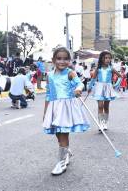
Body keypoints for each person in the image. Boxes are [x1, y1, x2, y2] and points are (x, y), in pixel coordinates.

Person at [43, 47, 89, 175]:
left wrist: (78, 89)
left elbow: (80, 83)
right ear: (53, 60)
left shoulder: (70, 73)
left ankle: (61, 163)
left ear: (69, 61)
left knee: (63, 133)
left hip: (66, 107)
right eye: (59, 58)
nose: (62, 61)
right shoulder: (50, 75)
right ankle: (66, 151)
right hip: (53, 107)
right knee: (58, 133)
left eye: (65, 59)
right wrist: (45, 112)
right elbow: (48, 94)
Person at [88, 51, 121, 130]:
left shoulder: (111, 68)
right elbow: (94, 78)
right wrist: (89, 87)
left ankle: (105, 123)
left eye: (109, 58)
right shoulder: (98, 68)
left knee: (106, 107)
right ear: (102, 59)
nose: (108, 59)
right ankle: (100, 124)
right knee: (100, 106)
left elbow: (120, 76)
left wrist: (115, 85)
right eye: (106, 58)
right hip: (99, 88)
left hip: (108, 88)